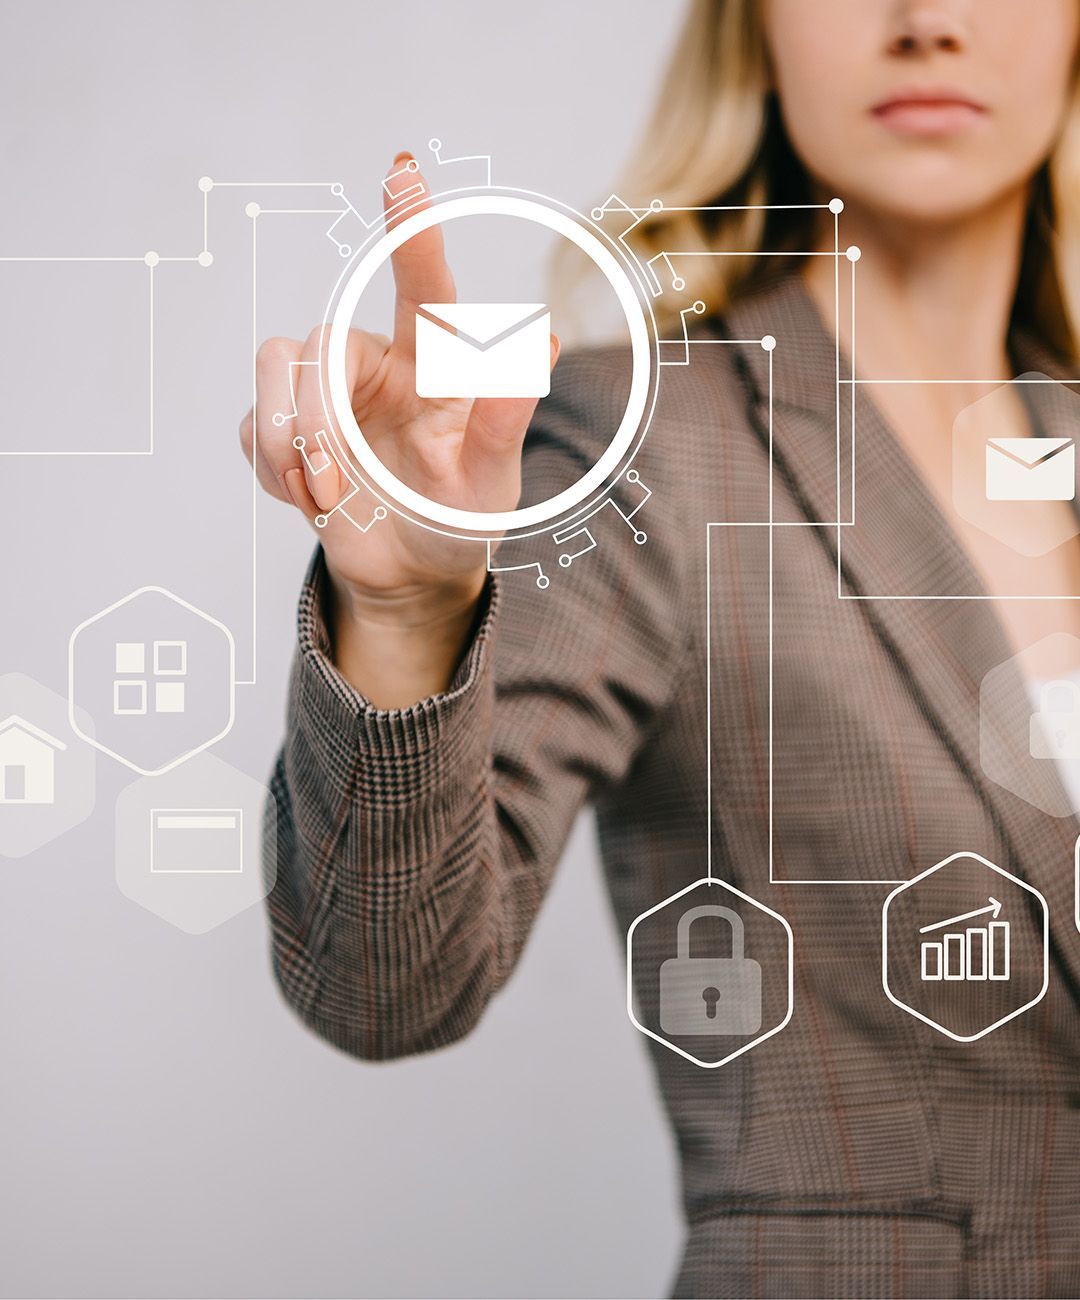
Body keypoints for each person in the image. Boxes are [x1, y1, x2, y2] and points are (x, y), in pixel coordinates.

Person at [239, 1, 1080, 1295]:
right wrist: (407, 613)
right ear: (753, 30)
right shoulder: (650, 437)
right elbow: (383, 982)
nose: (930, 20)